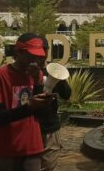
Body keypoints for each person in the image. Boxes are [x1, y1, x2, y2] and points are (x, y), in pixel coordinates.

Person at [0, 33, 52, 171]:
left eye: (37, 57)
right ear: (18, 52)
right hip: (3, 149)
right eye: (30, 56)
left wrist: (38, 83)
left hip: (31, 147)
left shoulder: (37, 74)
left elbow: (40, 115)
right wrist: (29, 107)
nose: (34, 61)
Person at [37, 40, 72, 171]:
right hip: (33, 127)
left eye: (44, 52)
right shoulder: (27, 71)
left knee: (49, 166)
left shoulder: (51, 70)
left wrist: (60, 80)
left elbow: (67, 94)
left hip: (50, 126)